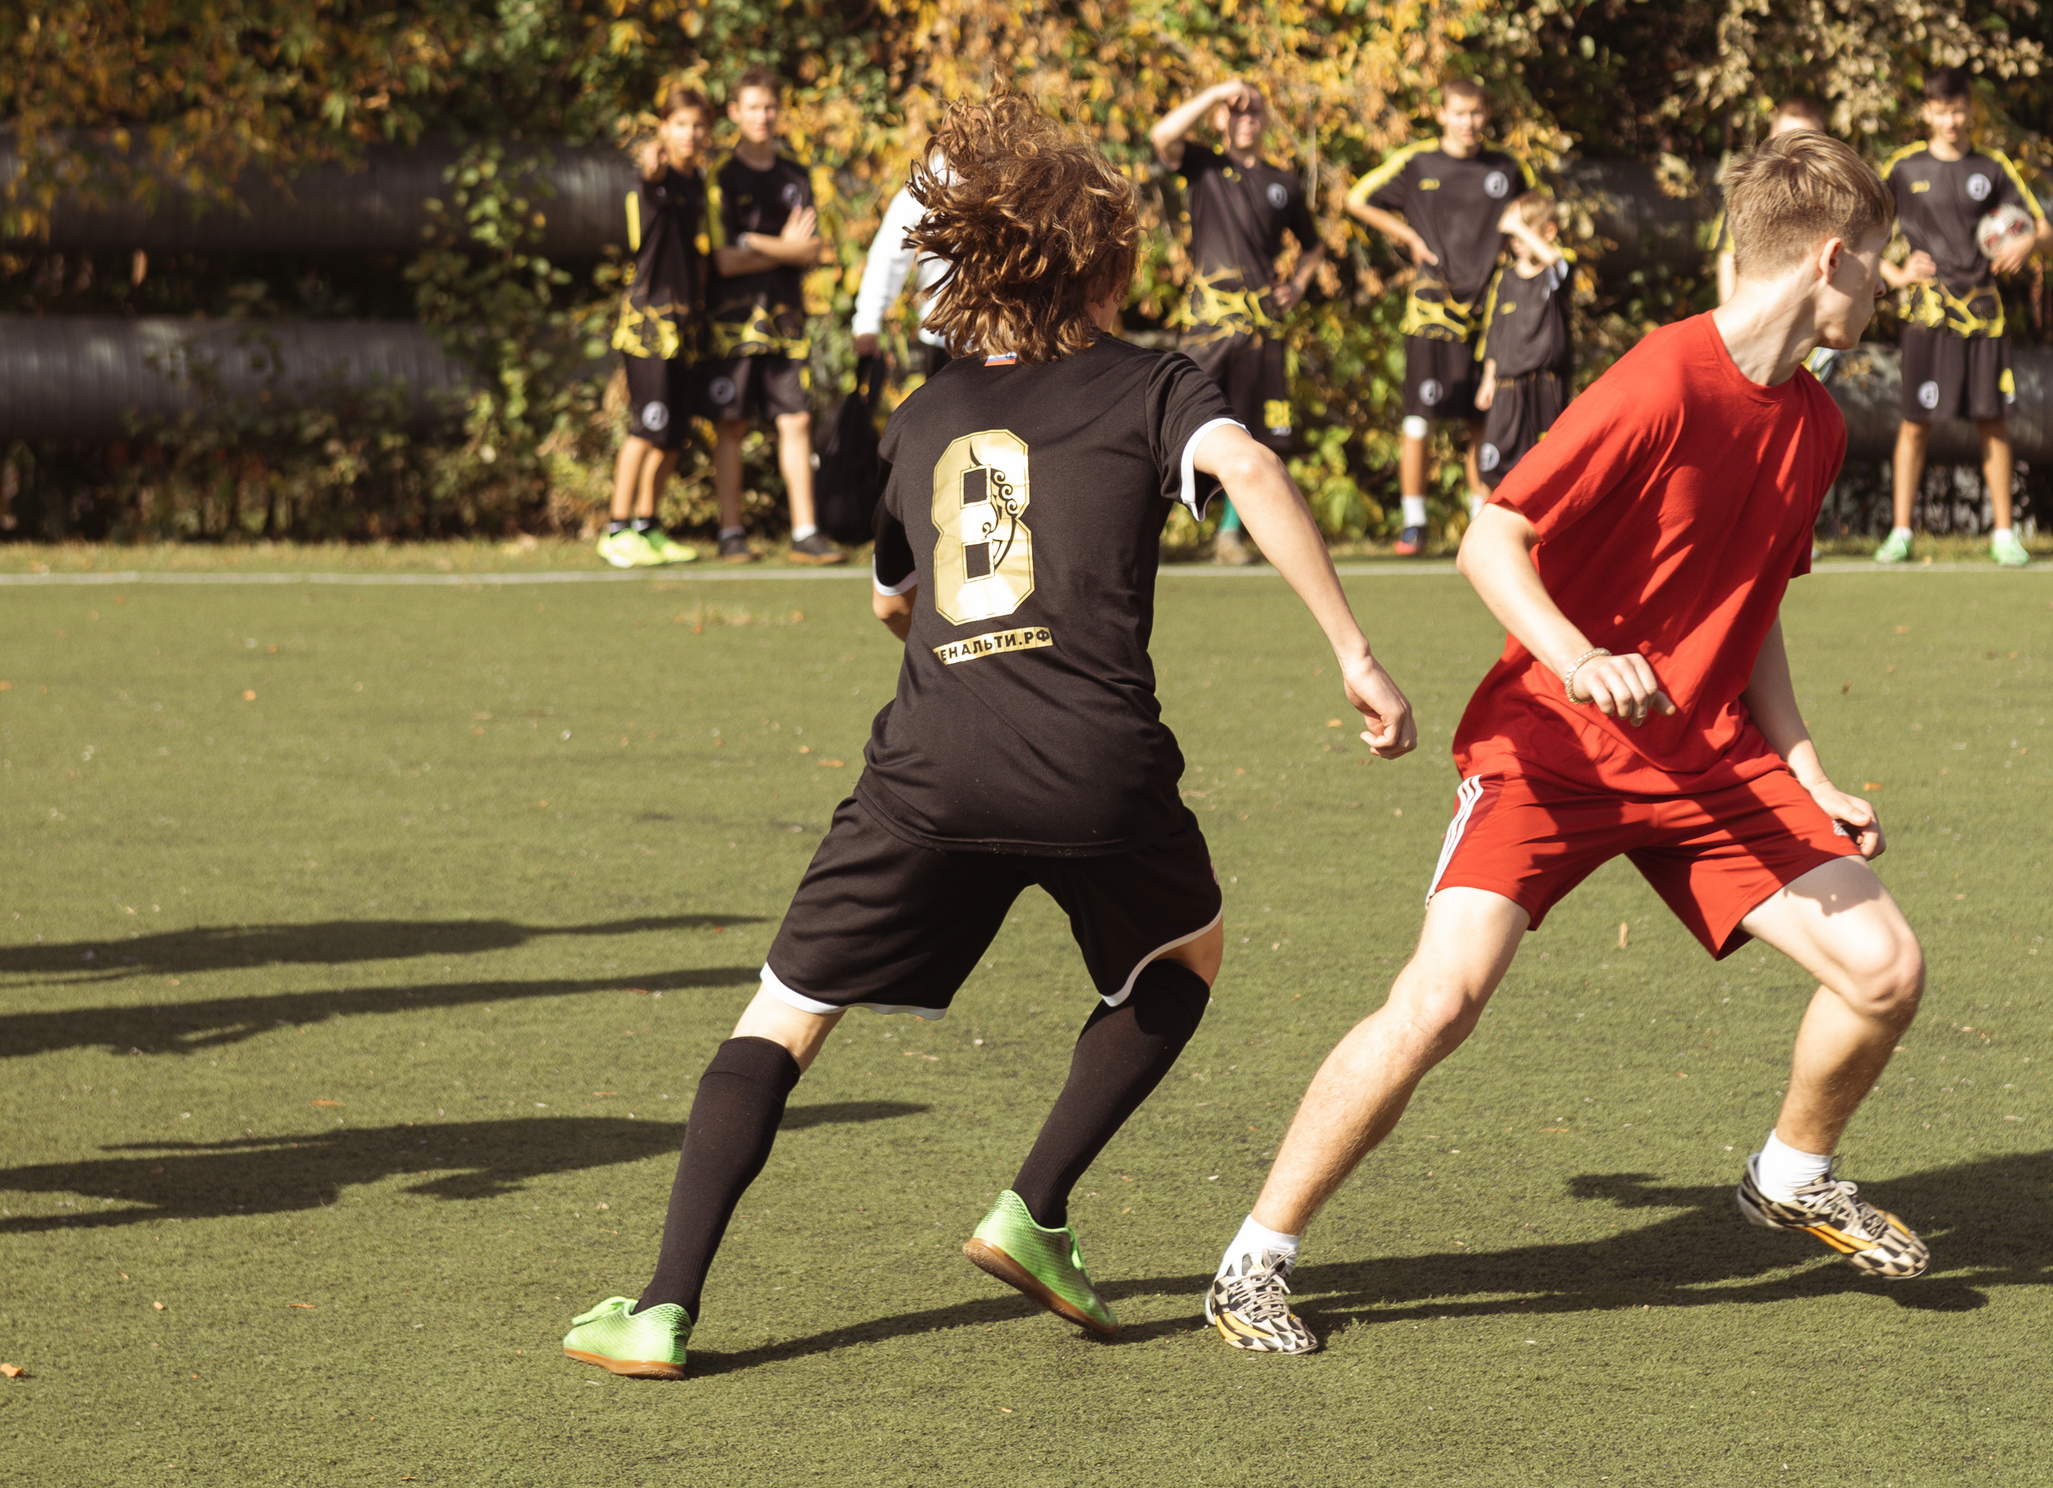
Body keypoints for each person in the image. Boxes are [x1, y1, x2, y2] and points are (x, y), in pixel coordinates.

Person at [560, 94, 1418, 1380]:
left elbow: (892, 600)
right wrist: (1352, 650)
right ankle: (1033, 1205)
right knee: (1182, 954)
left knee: (784, 1014)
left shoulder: (922, 414)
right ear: (1095, 264)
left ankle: (661, 1307)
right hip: (1096, 768)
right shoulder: (1154, 380)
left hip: (929, 768)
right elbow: (1246, 467)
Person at [1203, 130, 1931, 1357]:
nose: (1885, 286)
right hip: (1552, 748)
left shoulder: (1814, 421)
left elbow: (1751, 604)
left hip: (1703, 757)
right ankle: (1252, 1261)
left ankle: (1791, 1174)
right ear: (1829, 256)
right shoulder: (1662, 377)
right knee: (1437, 1001)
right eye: (1879, 261)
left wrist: (1804, 766)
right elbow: (1490, 537)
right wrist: (1577, 653)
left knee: (1883, 968)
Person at [1872, 66, 2053, 568]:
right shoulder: (1903, 167)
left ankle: (2004, 534)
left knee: (1992, 421)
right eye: (1941, 111)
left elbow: (2046, 231)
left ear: (1971, 110)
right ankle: (1901, 532)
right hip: (1926, 315)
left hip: (1983, 316)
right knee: (1915, 423)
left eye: (1958, 110)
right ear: (1926, 113)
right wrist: (1896, 273)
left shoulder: (1992, 167)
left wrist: (2026, 244)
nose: (1950, 120)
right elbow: (1860, 229)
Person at [1347, 81, 1534, 556]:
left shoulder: (1507, 167)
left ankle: (1479, 520)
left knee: (1482, 419)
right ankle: (1414, 523)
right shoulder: (1418, 162)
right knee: (1419, 418)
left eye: (1477, 113)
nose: (1469, 122)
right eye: (1460, 113)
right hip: (1432, 314)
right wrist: (1409, 237)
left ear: (1486, 114)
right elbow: (1357, 198)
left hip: (1489, 316)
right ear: (1442, 114)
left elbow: (1536, 217)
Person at [1148, 79, 1326, 565]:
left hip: (1261, 327)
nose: (1246, 118)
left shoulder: (1283, 182)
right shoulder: (1204, 165)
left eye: (1254, 110)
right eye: (1236, 110)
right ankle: (1148, 529)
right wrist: (1216, 93)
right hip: (1208, 324)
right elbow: (1162, 135)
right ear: (1220, 119)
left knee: (1249, 430)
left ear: (1265, 120)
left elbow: (1313, 246)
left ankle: (1230, 536)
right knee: (1170, 418)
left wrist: (1298, 284)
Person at [701, 68, 843, 565]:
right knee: (732, 425)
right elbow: (724, 261)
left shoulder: (795, 174)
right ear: (734, 113)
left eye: (769, 107)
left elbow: (812, 251)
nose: (762, 116)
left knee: (797, 419)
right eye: (752, 107)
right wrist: (784, 248)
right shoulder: (721, 176)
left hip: (787, 324)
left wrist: (756, 243)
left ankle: (805, 532)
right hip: (732, 324)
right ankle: (730, 533)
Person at [598, 86, 713, 570]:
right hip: (647, 325)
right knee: (646, 428)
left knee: (674, 433)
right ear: (663, 127)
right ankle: (616, 529)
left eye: (698, 125)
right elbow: (648, 178)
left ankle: (647, 525)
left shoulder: (697, 181)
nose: (690, 133)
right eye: (680, 123)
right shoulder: (656, 176)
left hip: (685, 327)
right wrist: (651, 167)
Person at [1471, 191, 1571, 492]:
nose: (1516, 237)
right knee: (1494, 472)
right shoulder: (1505, 279)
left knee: (1547, 471)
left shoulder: (1554, 273)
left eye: (1525, 228)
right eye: (1513, 231)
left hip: (1544, 386)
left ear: (1548, 231)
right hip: (1506, 388)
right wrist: (1488, 379)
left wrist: (1516, 224)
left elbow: (1554, 259)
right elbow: (1495, 333)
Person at [1716, 97, 1828, 304]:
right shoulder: (1746, 188)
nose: (1794, 147)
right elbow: (1727, 257)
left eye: (1804, 139)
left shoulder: (1831, 192)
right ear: (1772, 136)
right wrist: (1732, 314)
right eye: (1787, 137)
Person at [850, 160, 953, 379]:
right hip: (944, 337)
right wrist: (868, 322)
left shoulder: (1016, 171)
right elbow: (888, 255)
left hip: (1009, 341)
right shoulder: (931, 181)